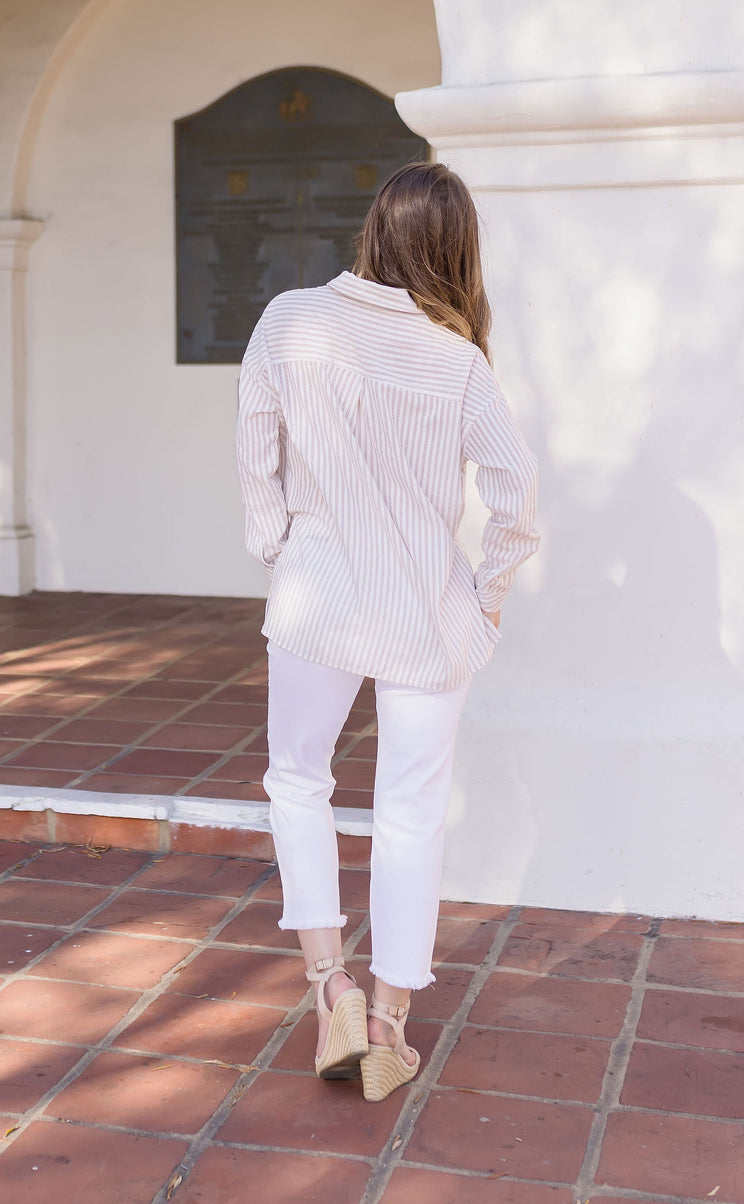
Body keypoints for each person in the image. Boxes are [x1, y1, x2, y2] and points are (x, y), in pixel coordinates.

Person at [236, 161, 539, 1102]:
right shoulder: (457, 361)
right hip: (423, 612)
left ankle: (329, 985)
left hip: (316, 600)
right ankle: (390, 1021)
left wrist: (279, 545)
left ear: (374, 230)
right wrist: (485, 590)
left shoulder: (288, 320)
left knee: (299, 778)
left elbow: (257, 449)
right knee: (410, 809)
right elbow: (517, 497)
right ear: (456, 251)